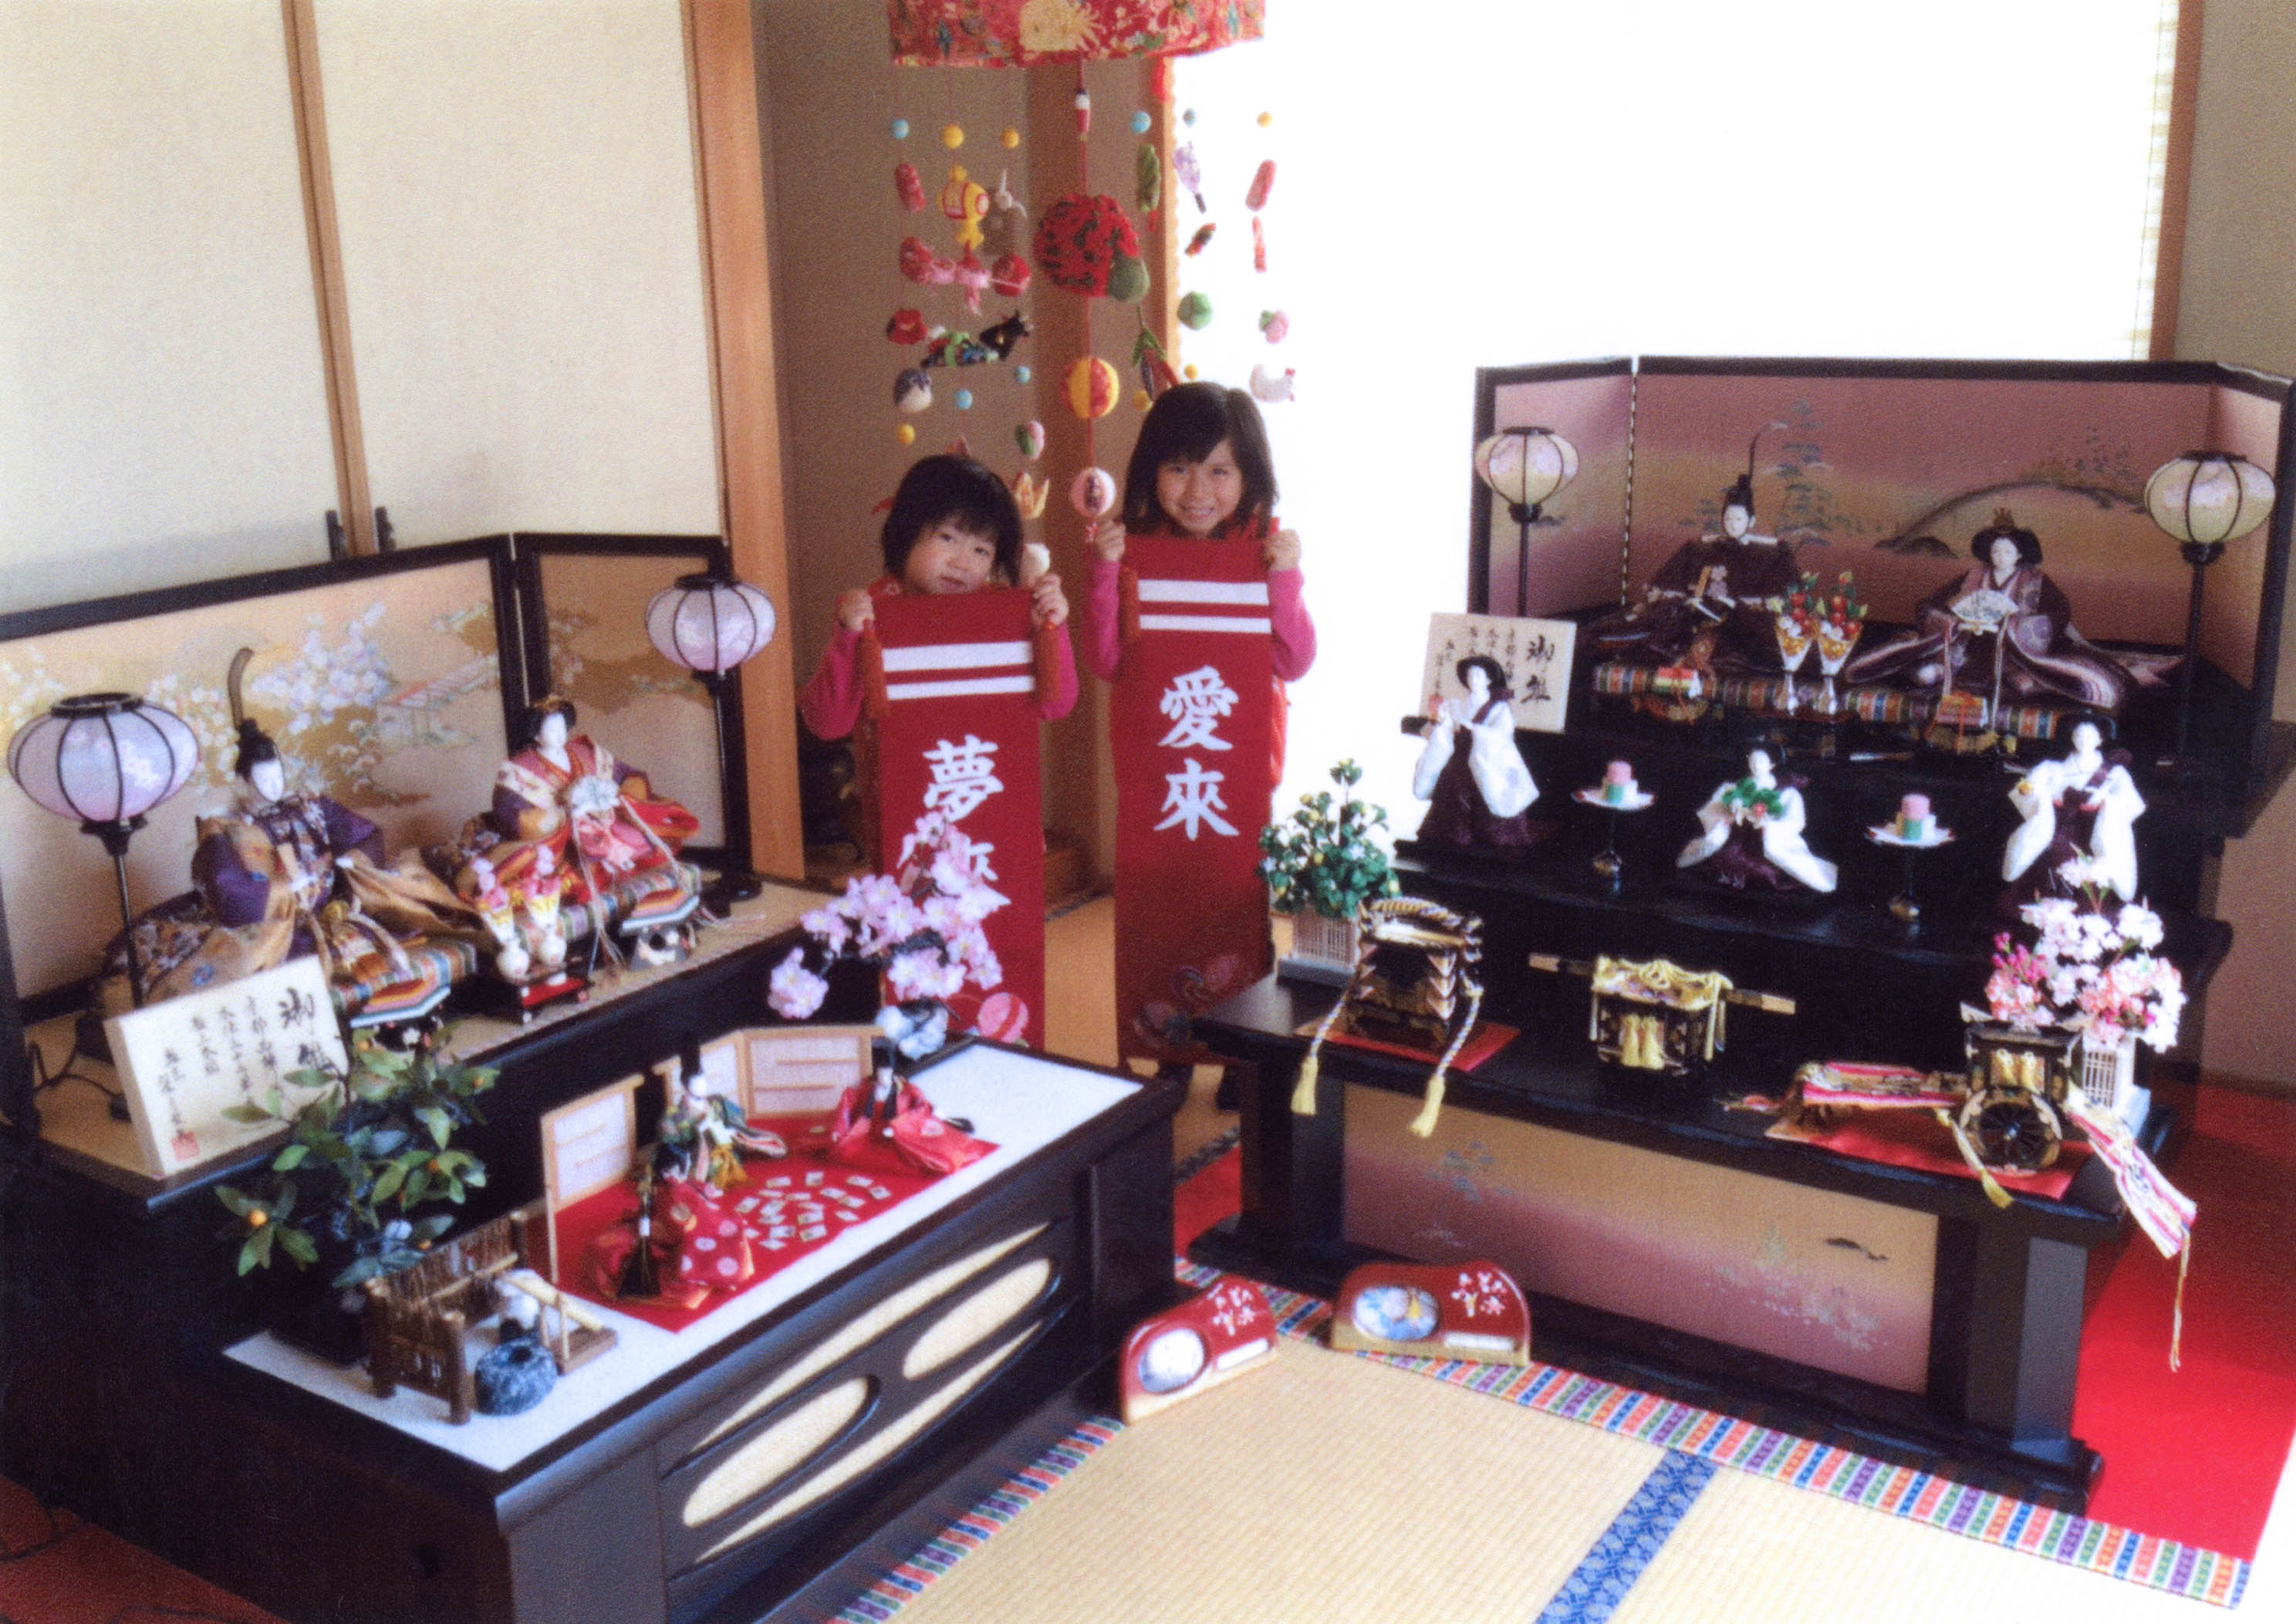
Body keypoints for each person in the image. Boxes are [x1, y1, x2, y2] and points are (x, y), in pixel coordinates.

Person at [1080, 383, 1315, 1076]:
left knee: (1234, 904)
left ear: (1249, 477)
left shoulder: (1262, 550)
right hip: (1160, 780)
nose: (1198, 491)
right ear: (1151, 472)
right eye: (1179, 468)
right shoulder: (1132, 550)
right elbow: (1105, 660)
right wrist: (1102, 575)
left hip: (1233, 776)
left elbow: (1296, 659)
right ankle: (1170, 1053)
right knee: (1161, 905)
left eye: (1220, 470)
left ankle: (1244, 1055)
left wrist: (1287, 579)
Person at [116, 710, 486, 1013]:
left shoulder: (310, 806)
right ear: (243, 781)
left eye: (278, 775)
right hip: (280, 922)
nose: (275, 785)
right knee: (251, 964)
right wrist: (282, 891)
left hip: (334, 908)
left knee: (402, 903)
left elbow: (363, 835)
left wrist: (351, 863)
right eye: (264, 779)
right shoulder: (226, 829)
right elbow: (226, 885)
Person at [799, 453, 1076, 743]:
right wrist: (848, 639)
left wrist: (1049, 628)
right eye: (947, 538)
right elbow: (826, 724)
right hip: (904, 766)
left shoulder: (1003, 613)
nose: (962, 563)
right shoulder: (870, 612)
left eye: (981, 551)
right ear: (907, 533)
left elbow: (1056, 706)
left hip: (981, 763)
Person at [443, 696, 701, 954]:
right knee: (543, 865)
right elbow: (509, 814)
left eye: (562, 727)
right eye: (550, 728)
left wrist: (613, 797)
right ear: (536, 733)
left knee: (641, 836)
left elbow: (628, 775)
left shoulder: (583, 751)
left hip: (603, 823)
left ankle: (617, 863)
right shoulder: (519, 768)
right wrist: (562, 815)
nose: (559, 734)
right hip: (559, 836)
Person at [1843, 510, 2164, 712]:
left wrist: (2016, 627)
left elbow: (2058, 612)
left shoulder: (2035, 580)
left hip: (2014, 651)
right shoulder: (1973, 576)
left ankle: (2017, 678)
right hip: (1968, 647)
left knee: (2030, 683)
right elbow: (1931, 605)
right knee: (1922, 673)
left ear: (2020, 554)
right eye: (1995, 550)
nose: (2000, 555)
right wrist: (1952, 621)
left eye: (2007, 551)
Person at [1587, 468, 1801, 674]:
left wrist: (1734, 605)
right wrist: (1692, 600)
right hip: (1698, 615)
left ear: (1751, 521)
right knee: (1662, 621)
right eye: (1728, 518)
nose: (1732, 524)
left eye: (1739, 519)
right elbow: (1672, 582)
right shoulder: (1700, 548)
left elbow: (1778, 593)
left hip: (1739, 619)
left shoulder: (1771, 552)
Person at [2002, 721, 2144, 907]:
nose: (2084, 740)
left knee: (2097, 872)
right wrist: (2041, 796)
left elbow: (2134, 804)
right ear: (2072, 739)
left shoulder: (2115, 773)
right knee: (2049, 863)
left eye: (2090, 736)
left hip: (2094, 832)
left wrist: (2106, 803)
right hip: (2056, 829)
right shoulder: (2051, 768)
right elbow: (2023, 790)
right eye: (2079, 735)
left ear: (2100, 740)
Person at [1412, 655, 1539, 848]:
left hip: (1485, 758)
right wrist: (1437, 717)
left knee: (1490, 788)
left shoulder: (1499, 708)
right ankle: (1452, 835)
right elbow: (1438, 729)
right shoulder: (1455, 705)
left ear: (1489, 679)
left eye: (1478, 676)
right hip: (1459, 758)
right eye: (1470, 676)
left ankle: (1492, 838)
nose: (1473, 680)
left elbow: (1502, 735)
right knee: (1451, 784)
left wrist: (1475, 730)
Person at [1676, 748, 1838, 893]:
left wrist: (1769, 825)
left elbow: (1796, 821)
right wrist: (1730, 815)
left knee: (1774, 857)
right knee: (1726, 854)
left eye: (1761, 761)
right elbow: (1718, 807)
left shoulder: (1786, 792)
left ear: (1771, 765)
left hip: (1767, 835)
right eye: (1753, 761)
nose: (1756, 765)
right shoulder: (1737, 787)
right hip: (1739, 836)